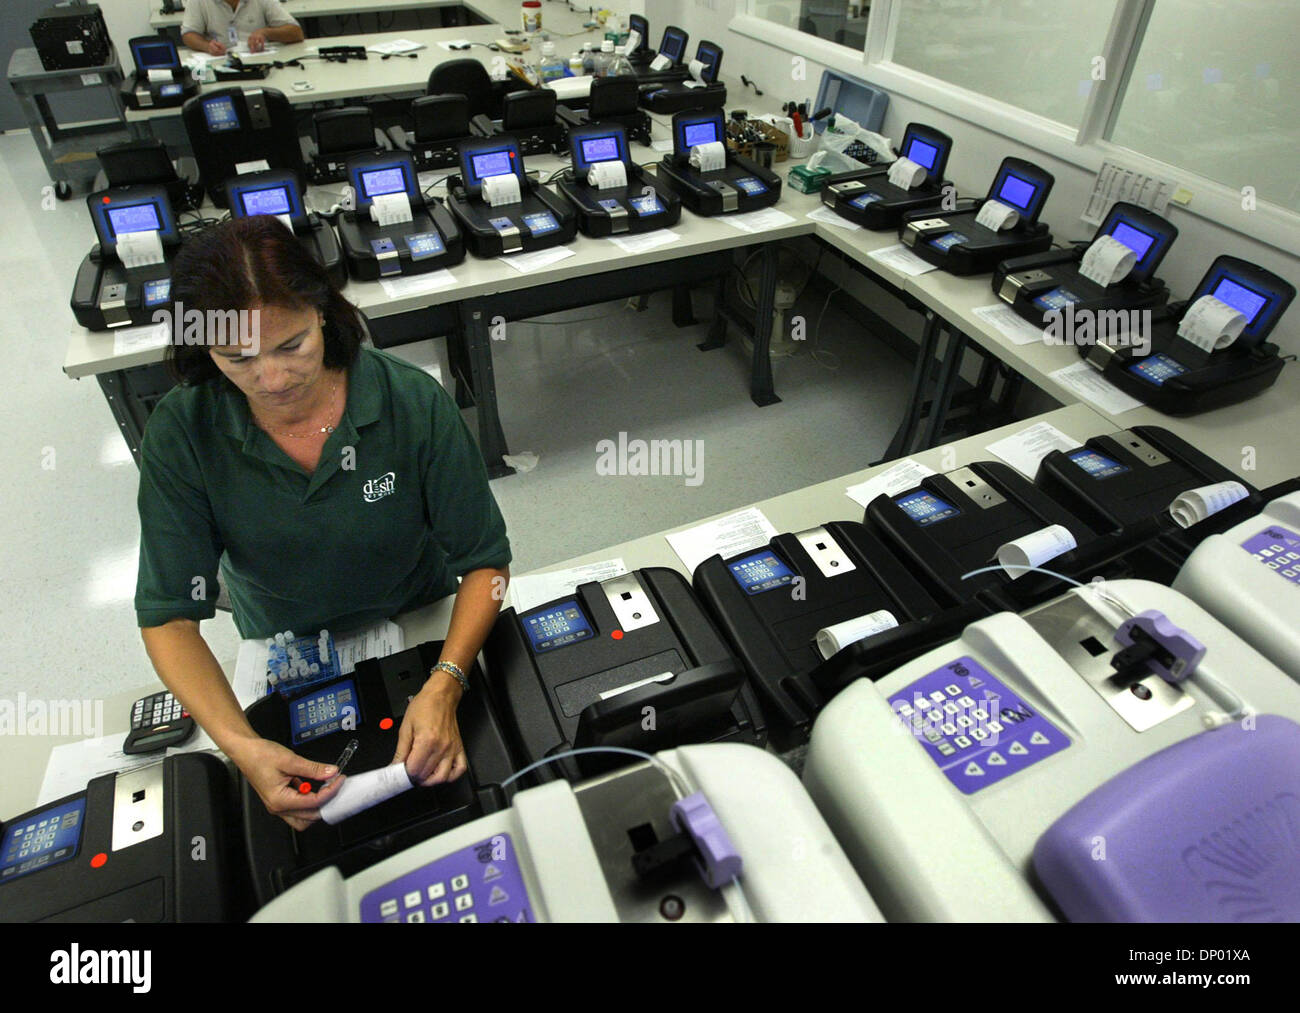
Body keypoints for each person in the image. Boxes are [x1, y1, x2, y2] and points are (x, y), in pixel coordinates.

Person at [135, 217, 511, 831]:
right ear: (201, 348)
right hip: (286, 638)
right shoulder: (183, 433)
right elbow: (169, 618)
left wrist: (446, 681)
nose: (273, 380)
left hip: (422, 620)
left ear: (324, 314)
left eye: (291, 346)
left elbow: (486, 565)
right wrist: (243, 746)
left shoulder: (411, 402)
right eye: (238, 358)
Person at [181, 0, 305, 56]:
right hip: (220, 61)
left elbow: (296, 32)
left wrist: (266, 32)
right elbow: (188, 34)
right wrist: (207, 46)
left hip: (259, 59)